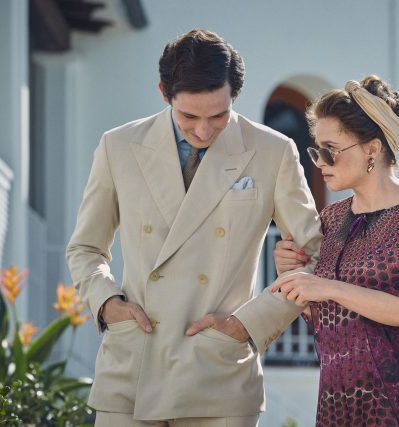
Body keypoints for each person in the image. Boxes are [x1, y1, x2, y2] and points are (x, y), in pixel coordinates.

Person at [66, 29, 322, 426]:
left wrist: (247, 325)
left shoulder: (273, 151)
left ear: (234, 96)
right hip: (132, 367)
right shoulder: (118, 146)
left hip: (218, 370)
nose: (203, 131)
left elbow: (315, 257)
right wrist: (107, 304)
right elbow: (85, 248)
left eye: (218, 116)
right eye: (189, 116)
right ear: (163, 92)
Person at [272, 76, 399, 426]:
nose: (320, 162)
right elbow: (324, 315)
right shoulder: (329, 220)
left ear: (372, 150)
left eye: (330, 150)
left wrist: (326, 286)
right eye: (316, 150)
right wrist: (292, 274)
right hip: (338, 406)